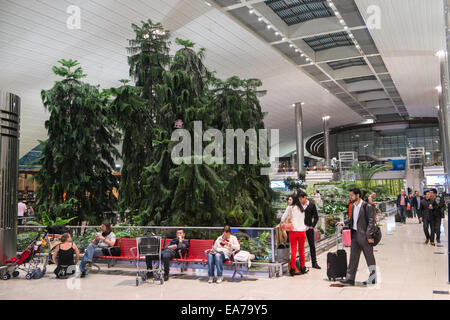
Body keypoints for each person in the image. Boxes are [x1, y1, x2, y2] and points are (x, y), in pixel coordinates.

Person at [337, 188, 377, 286]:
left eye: (352, 195)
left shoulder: (366, 206)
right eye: (350, 195)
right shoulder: (354, 206)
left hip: (365, 237)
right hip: (354, 235)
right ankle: (350, 278)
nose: (350, 197)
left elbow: (371, 222)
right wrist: (343, 222)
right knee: (353, 258)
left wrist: (369, 235)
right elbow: (352, 219)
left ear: (358, 195)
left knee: (369, 258)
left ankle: (373, 278)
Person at [281, 192, 308, 276]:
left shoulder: (290, 208)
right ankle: (303, 268)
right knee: (302, 250)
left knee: (293, 250)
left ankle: (293, 269)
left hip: (293, 231)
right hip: (302, 232)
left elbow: (282, 218)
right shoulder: (302, 208)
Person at [301, 192, 320, 269]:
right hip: (300, 229)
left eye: (301, 198)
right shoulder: (299, 206)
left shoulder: (311, 205)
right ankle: (302, 264)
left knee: (312, 245)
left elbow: (316, 217)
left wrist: (312, 225)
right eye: (299, 199)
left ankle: (314, 263)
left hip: (309, 228)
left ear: (305, 197)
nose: (300, 200)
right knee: (301, 247)